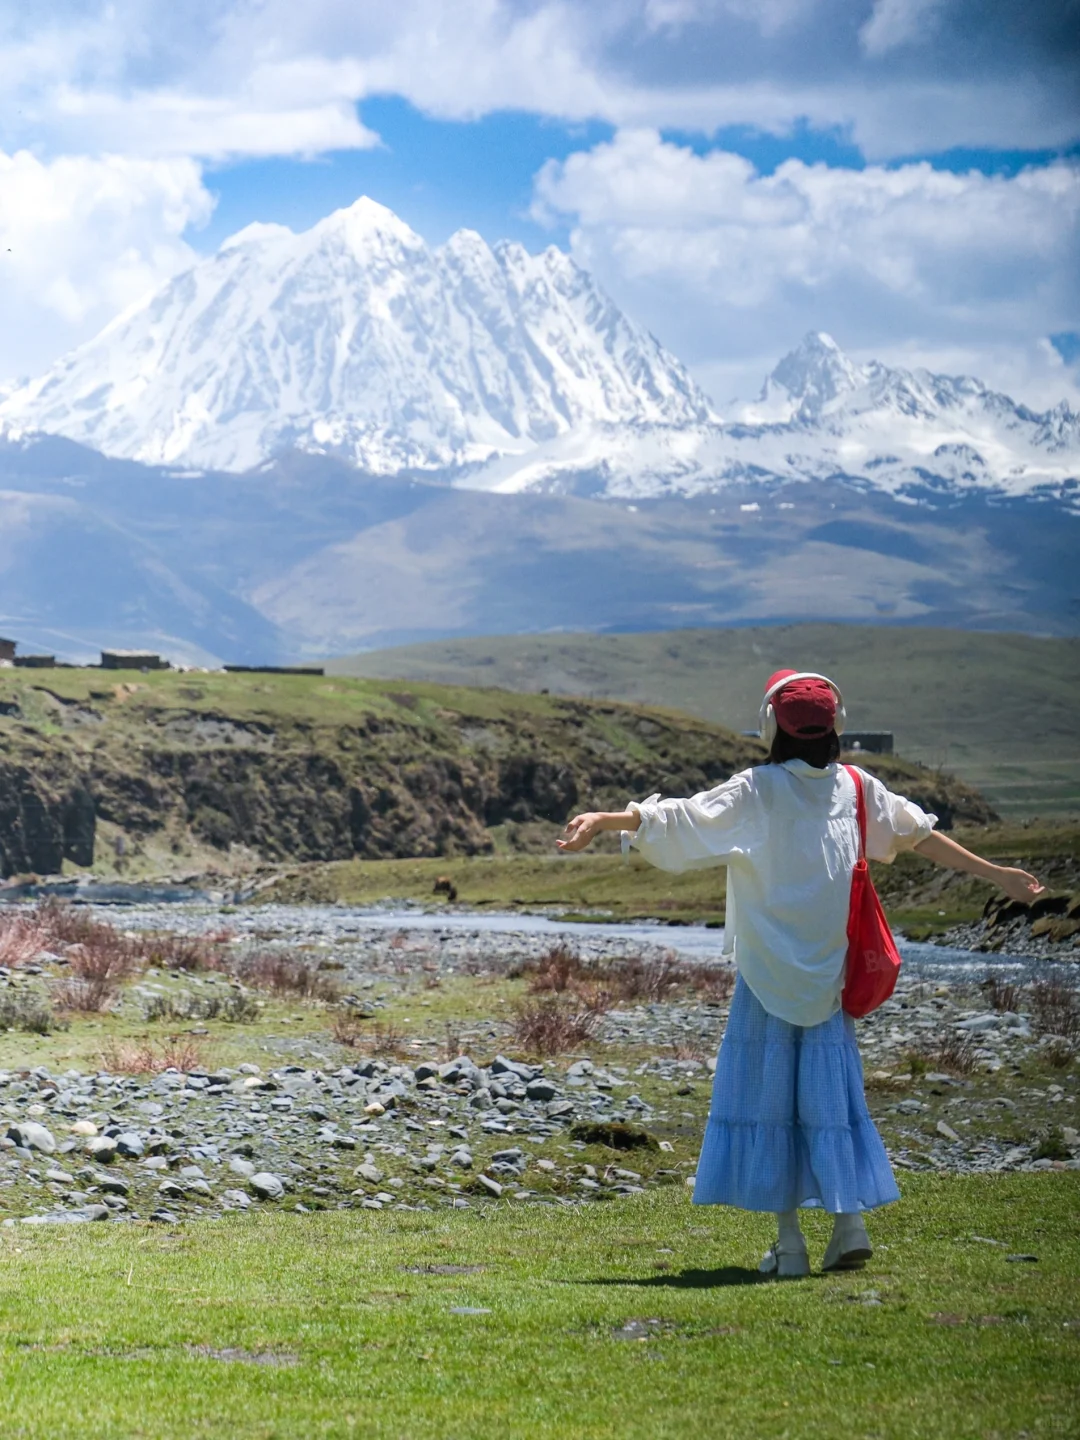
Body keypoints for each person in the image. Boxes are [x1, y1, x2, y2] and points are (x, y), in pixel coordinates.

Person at [556, 669, 1044, 1278]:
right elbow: (921, 836)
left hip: (766, 975)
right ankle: (849, 1224)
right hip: (830, 978)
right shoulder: (861, 790)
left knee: (768, 1100)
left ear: (772, 728)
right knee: (830, 1098)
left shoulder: (756, 790)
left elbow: (682, 820)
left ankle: (789, 1245)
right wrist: (997, 874)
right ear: (837, 724)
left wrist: (608, 819)